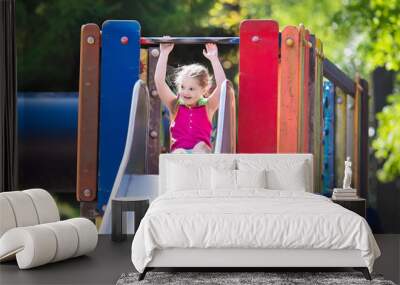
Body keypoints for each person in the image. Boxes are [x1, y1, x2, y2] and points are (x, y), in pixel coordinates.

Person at [154, 37, 226, 153]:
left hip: (200, 157)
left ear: (203, 90)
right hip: (179, 155)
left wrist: (214, 59)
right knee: (179, 152)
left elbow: (223, 86)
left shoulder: (208, 106)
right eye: (182, 87)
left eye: (191, 89)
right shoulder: (175, 105)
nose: (185, 92)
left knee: (201, 146)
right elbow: (159, 81)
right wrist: (164, 53)